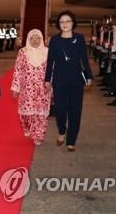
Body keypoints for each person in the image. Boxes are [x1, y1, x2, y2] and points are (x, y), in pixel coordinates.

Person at [45, 10, 93, 152]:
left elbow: (84, 59)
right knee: (60, 110)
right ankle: (61, 131)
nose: (65, 24)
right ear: (58, 24)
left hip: (76, 80)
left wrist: (89, 76)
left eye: (68, 21)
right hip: (59, 81)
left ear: (73, 23)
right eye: (62, 22)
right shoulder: (54, 40)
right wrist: (47, 79)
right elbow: (50, 61)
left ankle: (71, 141)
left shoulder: (79, 38)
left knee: (75, 111)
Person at [11, 29, 51, 146]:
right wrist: (15, 88)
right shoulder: (23, 52)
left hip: (43, 89)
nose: (35, 41)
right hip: (27, 90)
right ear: (28, 39)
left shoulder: (48, 52)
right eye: (32, 38)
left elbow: (52, 70)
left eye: (37, 38)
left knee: (41, 114)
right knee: (26, 114)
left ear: (41, 39)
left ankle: (39, 135)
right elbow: (17, 70)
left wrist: (52, 84)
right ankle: (27, 128)